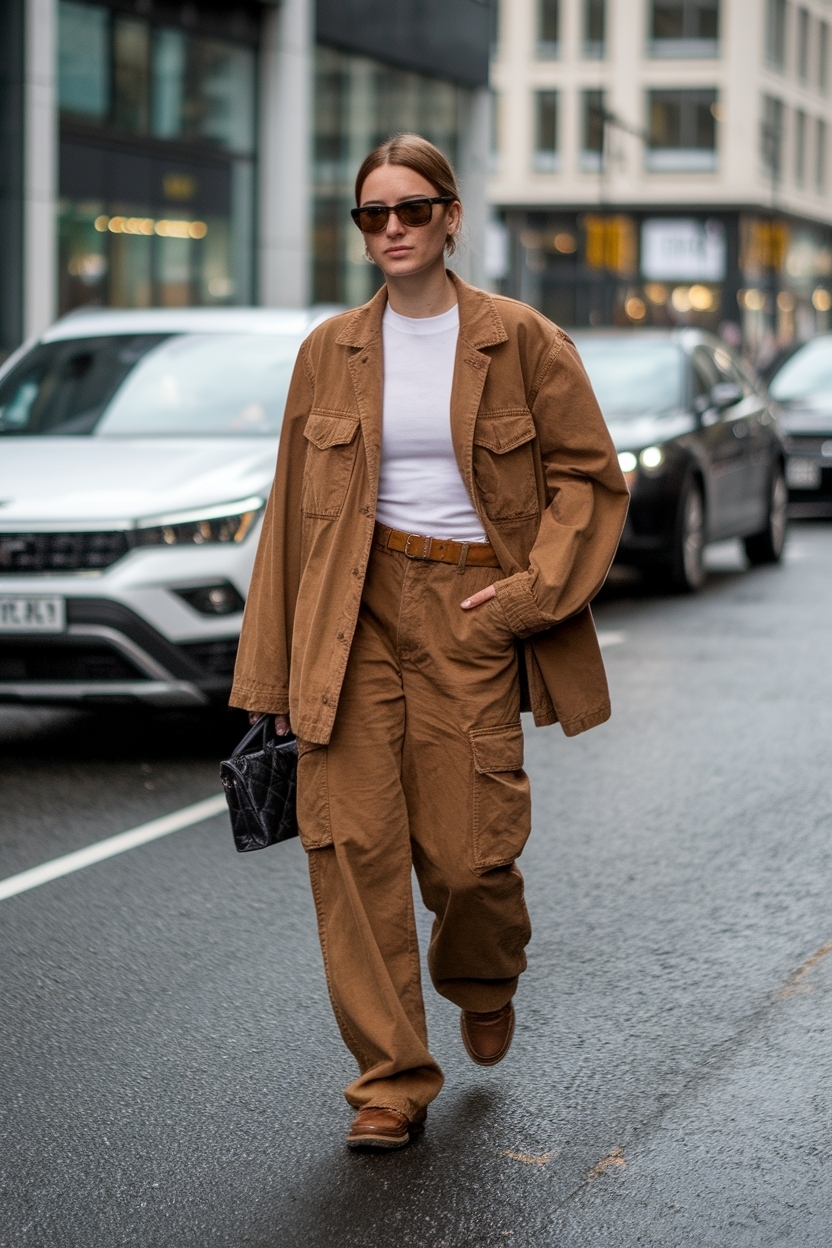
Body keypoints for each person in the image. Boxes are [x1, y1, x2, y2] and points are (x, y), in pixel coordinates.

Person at [230, 134, 628, 1151]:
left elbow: (588, 478)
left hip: (467, 609)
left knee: (468, 857)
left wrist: (525, 598)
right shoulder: (328, 350)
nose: (394, 229)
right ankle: (390, 1079)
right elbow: (292, 520)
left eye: (413, 210)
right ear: (360, 231)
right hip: (347, 613)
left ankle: (484, 971)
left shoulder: (521, 340)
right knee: (349, 846)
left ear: (451, 217)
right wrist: (269, 676)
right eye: (375, 215)